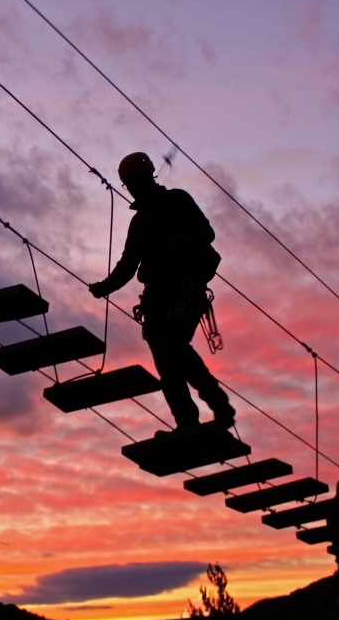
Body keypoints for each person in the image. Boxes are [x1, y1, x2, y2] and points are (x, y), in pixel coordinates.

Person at [88, 152, 233, 430]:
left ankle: (219, 406)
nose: (132, 188)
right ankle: (188, 422)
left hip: (184, 289)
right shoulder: (140, 222)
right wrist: (105, 287)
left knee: (174, 349)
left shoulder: (177, 201)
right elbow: (129, 264)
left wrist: (184, 240)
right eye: (128, 184)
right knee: (166, 360)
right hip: (157, 297)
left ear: (148, 177)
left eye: (135, 181)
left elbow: (206, 233)